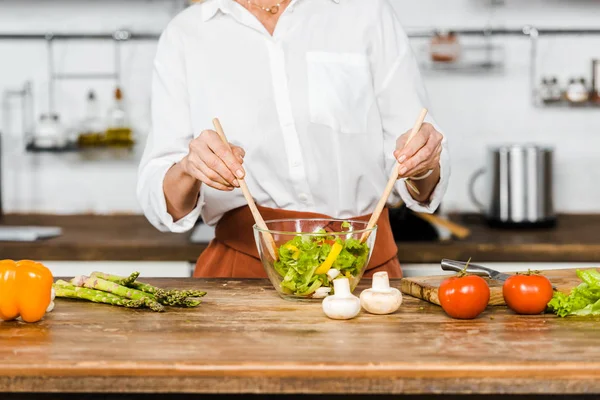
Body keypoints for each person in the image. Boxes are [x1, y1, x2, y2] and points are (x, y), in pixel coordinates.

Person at [137, 0, 450, 279]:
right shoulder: (186, 34)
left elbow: (421, 182)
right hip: (243, 276)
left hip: (365, 272)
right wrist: (190, 168)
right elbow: (162, 203)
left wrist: (422, 163)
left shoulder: (367, 12)